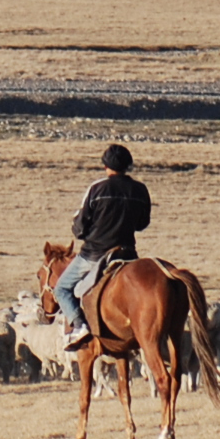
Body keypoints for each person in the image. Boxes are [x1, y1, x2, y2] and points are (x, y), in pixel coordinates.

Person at [53, 142, 151, 346]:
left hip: (94, 255)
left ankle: (79, 326)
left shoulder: (97, 189)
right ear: (128, 166)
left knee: (61, 288)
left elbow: (79, 228)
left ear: (105, 166)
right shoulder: (140, 190)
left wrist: (85, 230)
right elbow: (142, 224)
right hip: (127, 254)